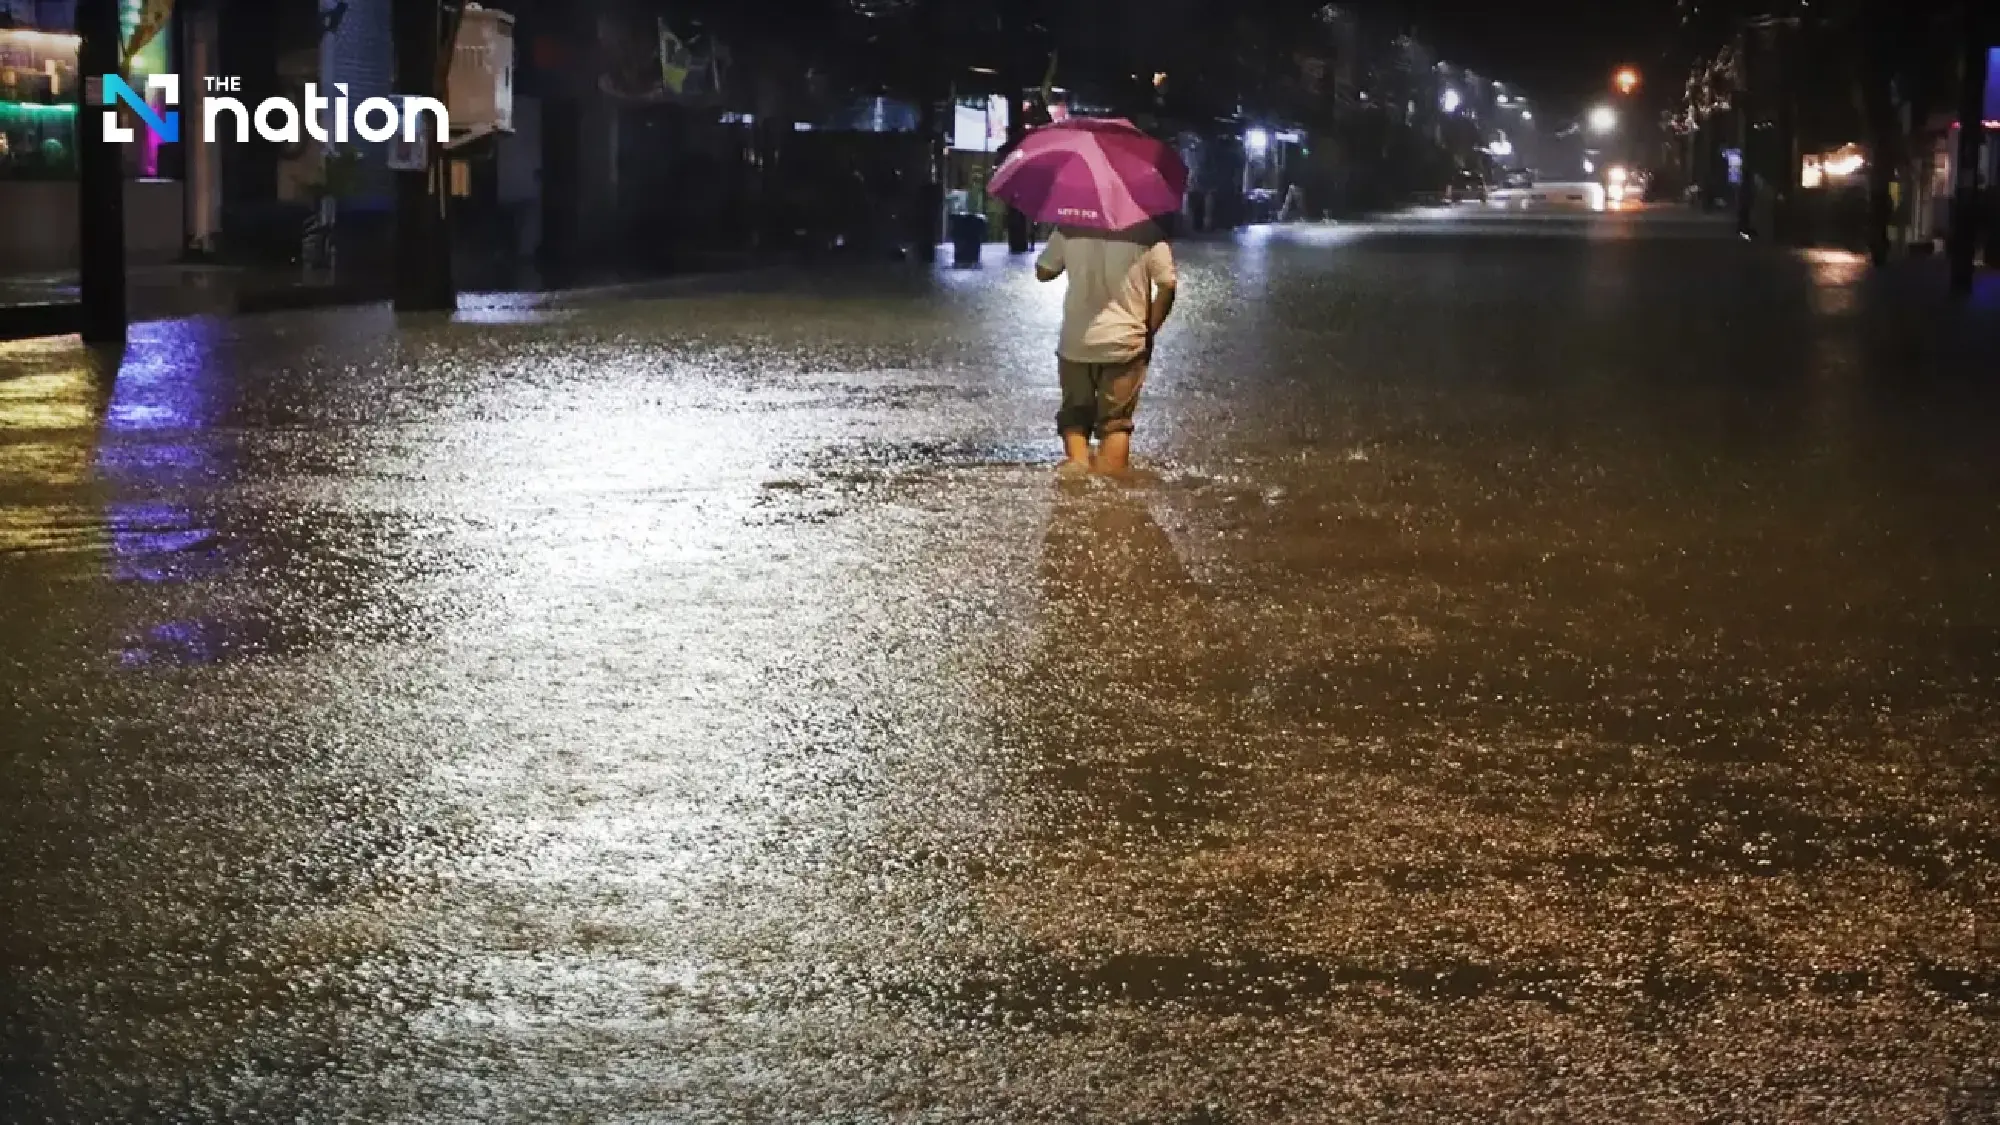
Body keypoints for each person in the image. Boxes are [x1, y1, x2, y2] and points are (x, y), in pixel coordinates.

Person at [1033, 223, 1177, 475]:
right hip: (1125, 343)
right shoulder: (1149, 232)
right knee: (1115, 424)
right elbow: (1167, 285)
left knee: (1075, 417)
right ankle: (1111, 494)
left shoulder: (1069, 227)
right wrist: (1149, 331)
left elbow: (1043, 272)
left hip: (1076, 343)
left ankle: (1077, 472)